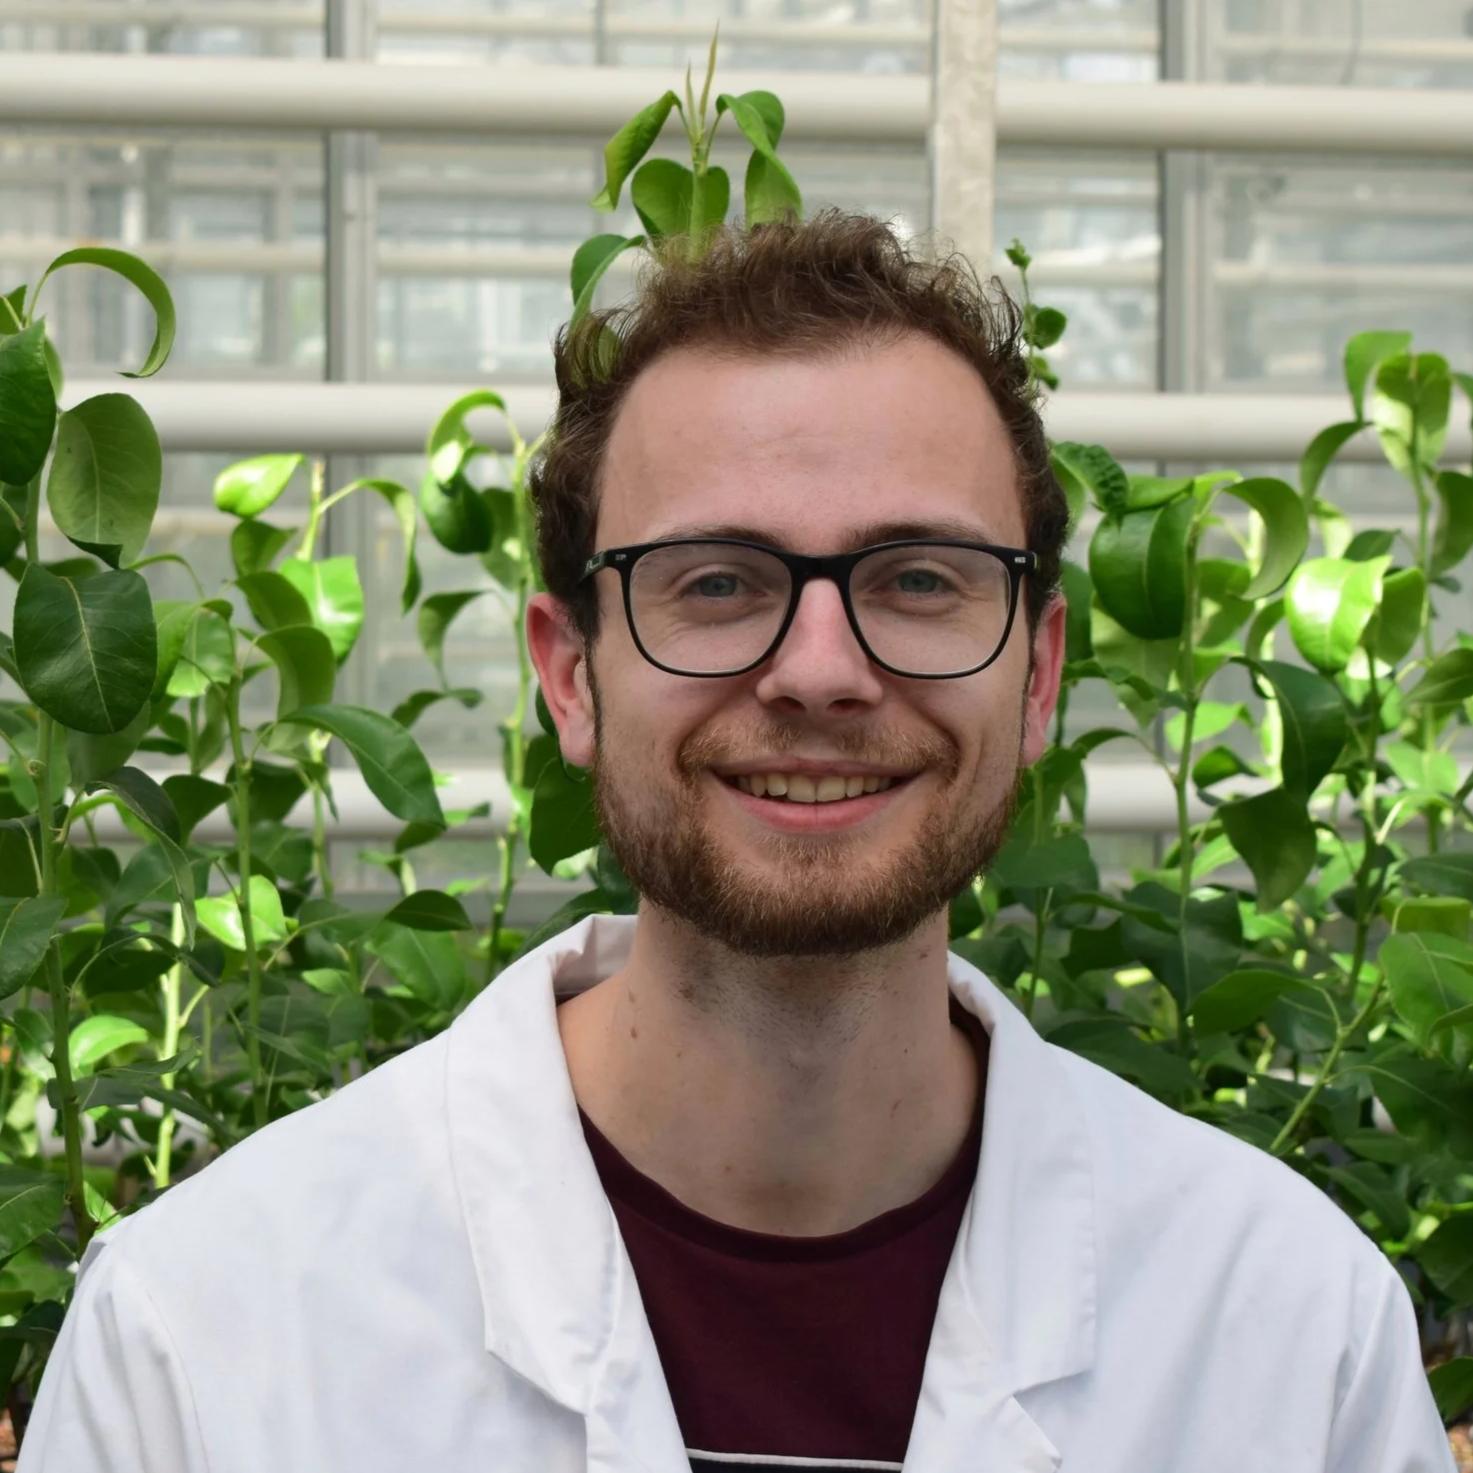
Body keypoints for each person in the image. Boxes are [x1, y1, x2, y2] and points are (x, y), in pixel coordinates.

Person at [19, 212, 1452, 1473]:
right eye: (716, 580)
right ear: (569, 675)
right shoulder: (202, 1344)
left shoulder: (1288, 1334)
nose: (819, 668)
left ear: (1039, 672)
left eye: (919, 578)